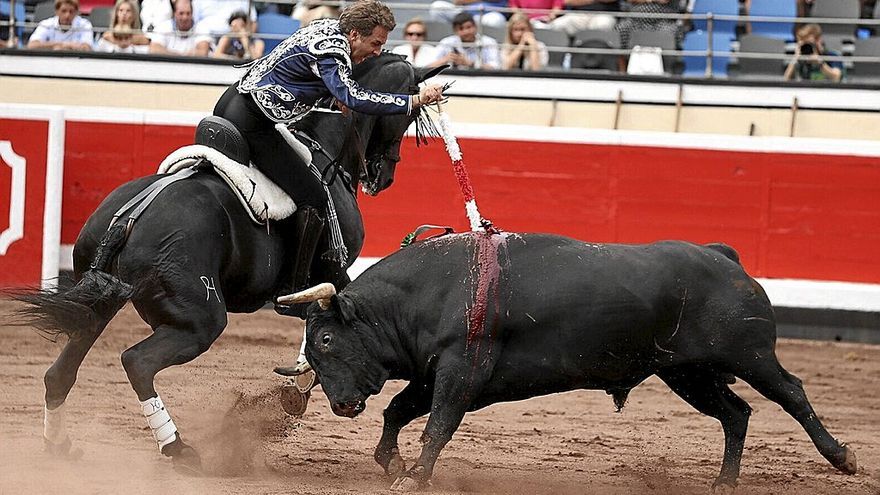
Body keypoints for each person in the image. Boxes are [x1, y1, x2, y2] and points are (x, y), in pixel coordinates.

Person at [211, 0, 444, 308]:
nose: (377, 51)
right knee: (314, 196)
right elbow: (354, 95)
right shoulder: (335, 50)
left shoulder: (325, 28)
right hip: (254, 122)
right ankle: (292, 289)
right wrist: (412, 102)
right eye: (375, 43)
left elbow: (305, 73)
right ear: (354, 35)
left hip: (231, 104)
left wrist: (331, 91)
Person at [432, 12, 501, 69]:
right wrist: (445, 60)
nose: (466, 32)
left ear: (476, 27)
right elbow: (428, 67)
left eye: (469, 27)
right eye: (461, 29)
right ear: (455, 31)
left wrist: (470, 63)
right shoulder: (446, 42)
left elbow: (495, 68)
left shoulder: (489, 42)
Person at [148, 0, 213, 56]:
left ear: (192, 14)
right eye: (181, 13)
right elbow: (154, 49)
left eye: (188, 13)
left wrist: (171, 54)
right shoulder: (163, 26)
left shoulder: (202, 27)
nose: (185, 17)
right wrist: (179, 56)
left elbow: (203, 52)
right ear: (174, 14)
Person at [26, 0, 93, 51]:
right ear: (57, 11)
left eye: (71, 11)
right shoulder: (46, 24)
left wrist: (62, 46)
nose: (67, 15)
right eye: (64, 11)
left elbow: (87, 48)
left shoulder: (85, 25)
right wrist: (60, 44)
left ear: (76, 12)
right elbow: (32, 45)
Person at [548, 0, 618, 37]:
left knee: (602, 24)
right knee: (559, 24)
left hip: (604, 14)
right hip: (578, 14)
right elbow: (567, 1)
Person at [428, 0, 508, 29]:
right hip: (464, 14)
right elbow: (458, 1)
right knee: (437, 7)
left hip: (487, 16)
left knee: (497, 20)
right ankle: (454, 36)